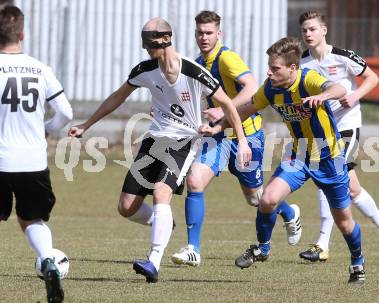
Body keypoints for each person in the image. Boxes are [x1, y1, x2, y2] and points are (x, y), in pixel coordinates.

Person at [68, 17, 251, 283]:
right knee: (127, 207)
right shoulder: (144, 69)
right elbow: (117, 97)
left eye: (149, 44)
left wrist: (242, 140)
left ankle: (153, 261)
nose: (146, 50)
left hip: (184, 141)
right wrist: (87, 124)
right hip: (154, 140)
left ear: (165, 40)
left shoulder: (193, 71)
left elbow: (228, 105)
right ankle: (163, 222)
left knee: (160, 192)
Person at [203, 37, 367, 284]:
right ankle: (262, 248)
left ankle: (357, 262)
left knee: (344, 223)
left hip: (329, 158)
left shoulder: (308, 79)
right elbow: (246, 108)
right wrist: (219, 127)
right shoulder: (270, 88)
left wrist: (323, 96)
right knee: (267, 199)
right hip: (299, 155)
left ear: (292, 68)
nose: (269, 71)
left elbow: (340, 89)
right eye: (269, 66)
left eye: (275, 68)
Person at [170, 10, 302, 267]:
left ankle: (288, 211)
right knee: (195, 181)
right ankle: (192, 249)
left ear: (219, 34)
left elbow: (253, 88)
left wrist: (223, 109)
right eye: (200, 32)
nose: (204, 37)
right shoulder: (198, 62)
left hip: (248, 136)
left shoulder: (227, 58)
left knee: (255, 198)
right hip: (219, 136)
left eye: (209, 33)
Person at [296, 11, 379, 263]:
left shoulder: (342, 57)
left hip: (347, 126)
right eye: (304, 30)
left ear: (324, 30)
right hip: (323, 129)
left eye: (312, 29)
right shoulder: (303, 62)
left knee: (327, 171)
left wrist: (355, 96)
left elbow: (373, 77)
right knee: (351, 189)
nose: (308, 34)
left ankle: (322, 244)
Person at [0, 5, 72, 302]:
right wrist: (47, 130)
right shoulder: (41, 69)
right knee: (31, 219)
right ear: (23, 34)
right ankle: (48, 261)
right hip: (33, 160)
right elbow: (66, 113)